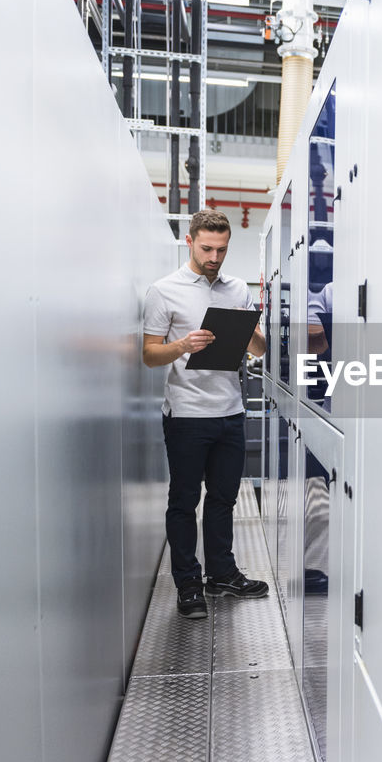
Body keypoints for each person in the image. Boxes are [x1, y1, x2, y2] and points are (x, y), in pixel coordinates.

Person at [142, 209, 269, 618]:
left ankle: (221, 575)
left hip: (230, 411)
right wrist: (182, 346)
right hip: (186, 415)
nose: (215, 257)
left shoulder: (237, 289)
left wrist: (247, 329)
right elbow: (149, 354)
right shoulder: (164, 291)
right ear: (190, 241)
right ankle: (188, 585)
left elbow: (260, 351)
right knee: (183, 501)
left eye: (223, 249)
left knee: (223, 500)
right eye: (207, 248)